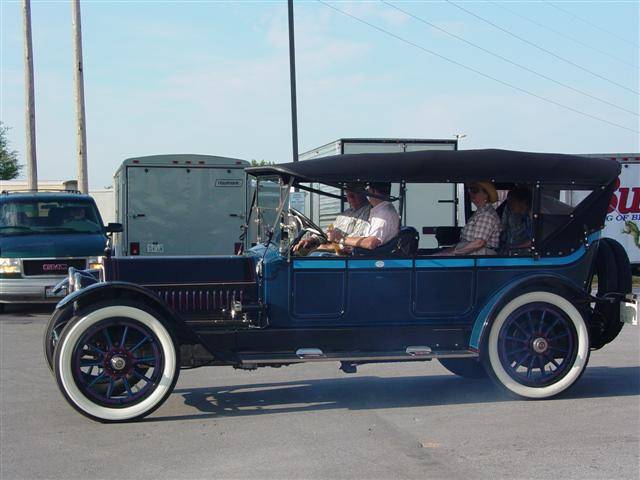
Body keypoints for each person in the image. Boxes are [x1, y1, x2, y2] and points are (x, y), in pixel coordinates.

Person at [293, 187, 371, 253]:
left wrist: (329, 247)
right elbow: (329, 232)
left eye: (353, 195)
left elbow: (355, 241)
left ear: (363, 193)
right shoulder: (345, 213)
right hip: (333, 249)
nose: (350, 198)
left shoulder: (367, 211)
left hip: (345, 254)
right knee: (298, 250)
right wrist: (311, 239)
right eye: (348, 194)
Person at [329, 182, 400, 251]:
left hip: (371, 259)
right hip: (362, 254)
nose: (367, 195)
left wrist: (341, 239)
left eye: (367, 191)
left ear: (373, 191)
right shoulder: (379, 210)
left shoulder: (384, 213)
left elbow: (371, 243)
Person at [440, 181, 501, 256]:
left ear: (486, 194)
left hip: (479, 260)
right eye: (469, 190)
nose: (471, 193)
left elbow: (479, 243)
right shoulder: (479, 212)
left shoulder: (486, 215)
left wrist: (453, 253)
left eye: (474, 190)